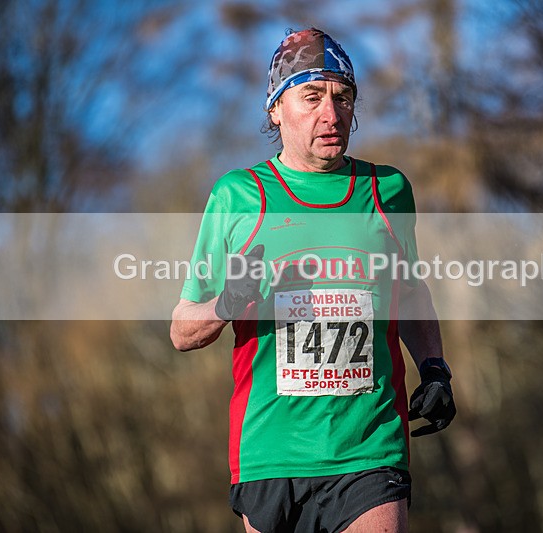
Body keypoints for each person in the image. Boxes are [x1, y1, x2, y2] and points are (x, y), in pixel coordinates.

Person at [170, 28, 456, 533]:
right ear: (275, 109)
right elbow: (181, 330)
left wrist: (433, 367)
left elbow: (409, 292)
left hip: (369, 449)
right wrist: (226, 304)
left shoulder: (386, 190)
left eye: (343, 97)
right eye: (312, 96)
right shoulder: (238, 196)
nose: (332, 113)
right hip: (270, 454)